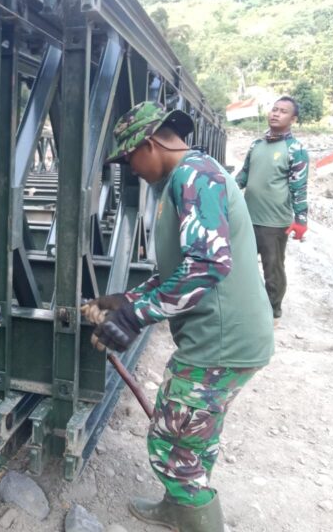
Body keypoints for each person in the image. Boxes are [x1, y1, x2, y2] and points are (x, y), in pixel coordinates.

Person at [81, 101, 274, 532]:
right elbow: (182, 269)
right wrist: (125, 299)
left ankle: (197, 520)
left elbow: (206, 266)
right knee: (195, 436)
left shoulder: (194, 177)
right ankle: (179, 509)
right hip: (229, 337)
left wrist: (134, 319)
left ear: (150, 145)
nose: (131, 170)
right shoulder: (192, 176)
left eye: (130, 158)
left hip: (219, 342)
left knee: (172, 441)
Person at [235, 96, 309, 319]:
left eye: (283, 111)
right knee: (241, 265)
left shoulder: (295, 150)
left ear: (293, 119)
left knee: (273, 270)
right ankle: (243, 306)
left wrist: (301, 221)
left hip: (274, 223)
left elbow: (299, 187)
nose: (276, 113)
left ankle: (272, 312)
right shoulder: (256, 145)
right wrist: (223, 189)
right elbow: (244, 175)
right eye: (274, 109)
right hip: (248, 218)